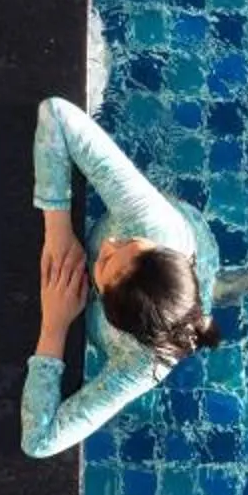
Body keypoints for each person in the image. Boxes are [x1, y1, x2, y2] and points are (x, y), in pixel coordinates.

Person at [23, 96, 227, 457]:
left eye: (104, 264)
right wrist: (57, 228)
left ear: (110, 312)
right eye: (129, 244)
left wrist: (53, 328)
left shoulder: (141, 366)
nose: (110, 243)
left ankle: (216, 293)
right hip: (186, 249)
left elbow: (40, 442)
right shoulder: (152, 223)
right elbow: (56, 113)